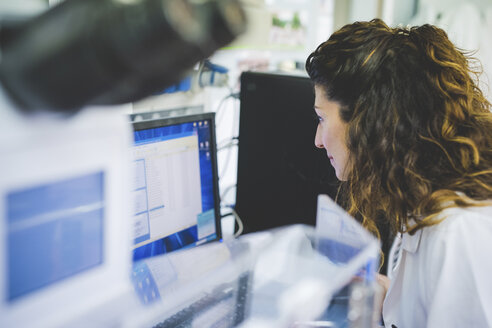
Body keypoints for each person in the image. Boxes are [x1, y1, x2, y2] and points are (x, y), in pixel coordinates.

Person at [305, 19, 492, 327]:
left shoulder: (459, 233)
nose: (317, 139)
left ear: (368, 122)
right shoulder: (425, 200)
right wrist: (391, 296)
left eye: (322, 118)